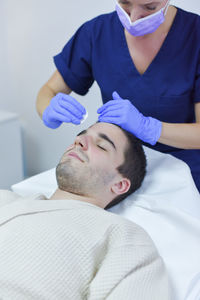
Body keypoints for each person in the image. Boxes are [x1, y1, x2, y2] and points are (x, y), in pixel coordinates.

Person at [36, 0, 200, 193]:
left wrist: (149, 128)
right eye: (125, 3)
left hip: (184, 172)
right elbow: (49, 91)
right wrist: (49, 109)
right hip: (114, 171)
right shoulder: (96, 33)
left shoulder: (195, 36)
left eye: (149, 7)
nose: (133, 18)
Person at [0, 123, 170, 300]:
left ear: (119, 184)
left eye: (101, 146)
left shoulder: (122, 235)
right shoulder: (6, 199)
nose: (79, 140)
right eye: (81, 135)